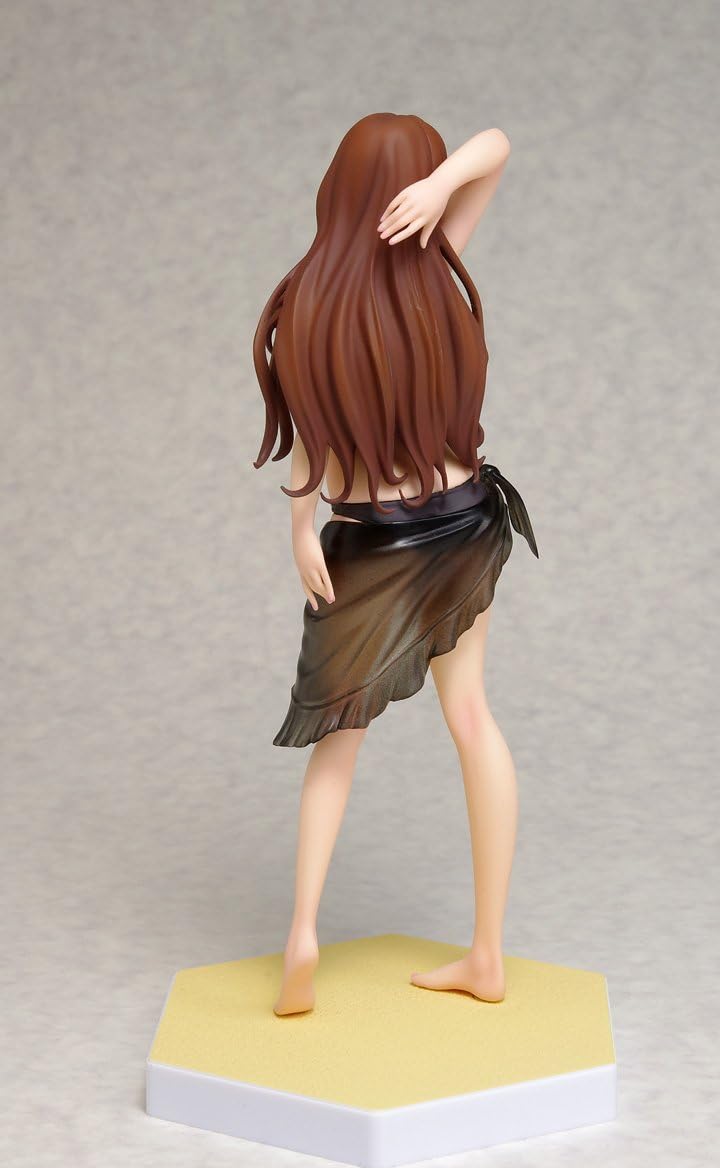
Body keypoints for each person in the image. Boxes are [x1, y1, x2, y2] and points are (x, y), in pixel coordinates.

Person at [252, 114, 539, 1016]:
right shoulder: (434, 274)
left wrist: (301, 526)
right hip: (462, 525)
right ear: (408, 194)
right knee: (472, 717)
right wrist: (442, 184)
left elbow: (309, 433)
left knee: (336, 741)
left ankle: (303, 935)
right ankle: (486, 953)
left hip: (363, 538)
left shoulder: (304, 305)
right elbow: (497, 145)